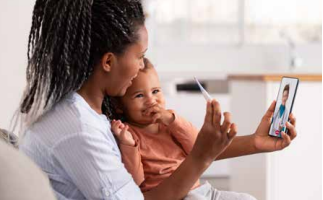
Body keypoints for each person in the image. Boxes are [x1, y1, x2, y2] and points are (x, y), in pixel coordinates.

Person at [17, 0, 297, 200]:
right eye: (139, 57)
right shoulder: (78, 129)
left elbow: (190, 149)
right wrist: (199, 157)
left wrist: (255, 142)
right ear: (108, 61)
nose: (142, 68)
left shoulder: (91, 112)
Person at [110, 58, 256, 199]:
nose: (151, 100)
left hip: (200, 190)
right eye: (139, 95)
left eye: (155, 91)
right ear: (119, 106)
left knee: (246, 198)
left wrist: (172, 120)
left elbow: (197, 145)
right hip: (174, 196)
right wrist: (128, 145)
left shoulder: (170, 122)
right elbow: (135, 181)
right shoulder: (128, 133)